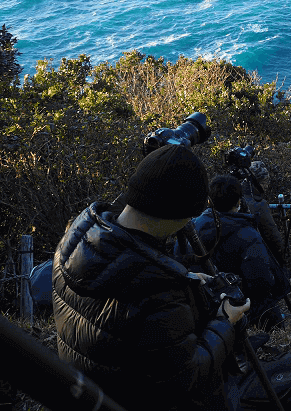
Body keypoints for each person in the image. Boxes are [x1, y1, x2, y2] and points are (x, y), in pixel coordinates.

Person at [52, 144, 251, 411]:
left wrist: (180, 274)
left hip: (91, 393)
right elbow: (186, 377)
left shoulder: (76, 241)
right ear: (180, 216)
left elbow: (124, 287)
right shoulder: (159, 293)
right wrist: (225, 322)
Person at [193, 174, 291, 332]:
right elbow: (261, 282)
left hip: (202, 305)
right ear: (239, 201)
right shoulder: (247, 234)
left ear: (209, 201)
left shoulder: (193, 228)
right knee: (268, 307)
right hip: (241, 307)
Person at [240, 160, 286, 266]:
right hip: (257, 259)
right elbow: (273, 237)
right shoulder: (258, 205)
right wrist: (282, 261)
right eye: (265, 181)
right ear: (258, 182)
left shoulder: (237, 197)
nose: (267, 184)